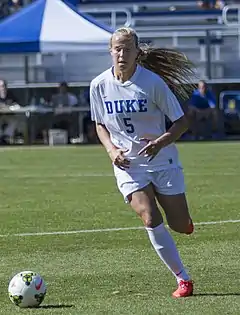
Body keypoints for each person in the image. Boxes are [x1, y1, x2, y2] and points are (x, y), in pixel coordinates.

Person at [90, 27, 195, 298]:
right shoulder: (99, 85)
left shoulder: (152, 83)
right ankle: (183, 278)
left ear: (137, 52)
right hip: (129, 166)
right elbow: (100, 124)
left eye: (127, 48)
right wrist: (112, 150)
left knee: (180, 225)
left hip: (163, 161)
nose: (121, 54)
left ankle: (183, 222)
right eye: (117, 48)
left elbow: (182, 122)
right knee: (149, 216)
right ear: (110, 51)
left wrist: (160, 142)